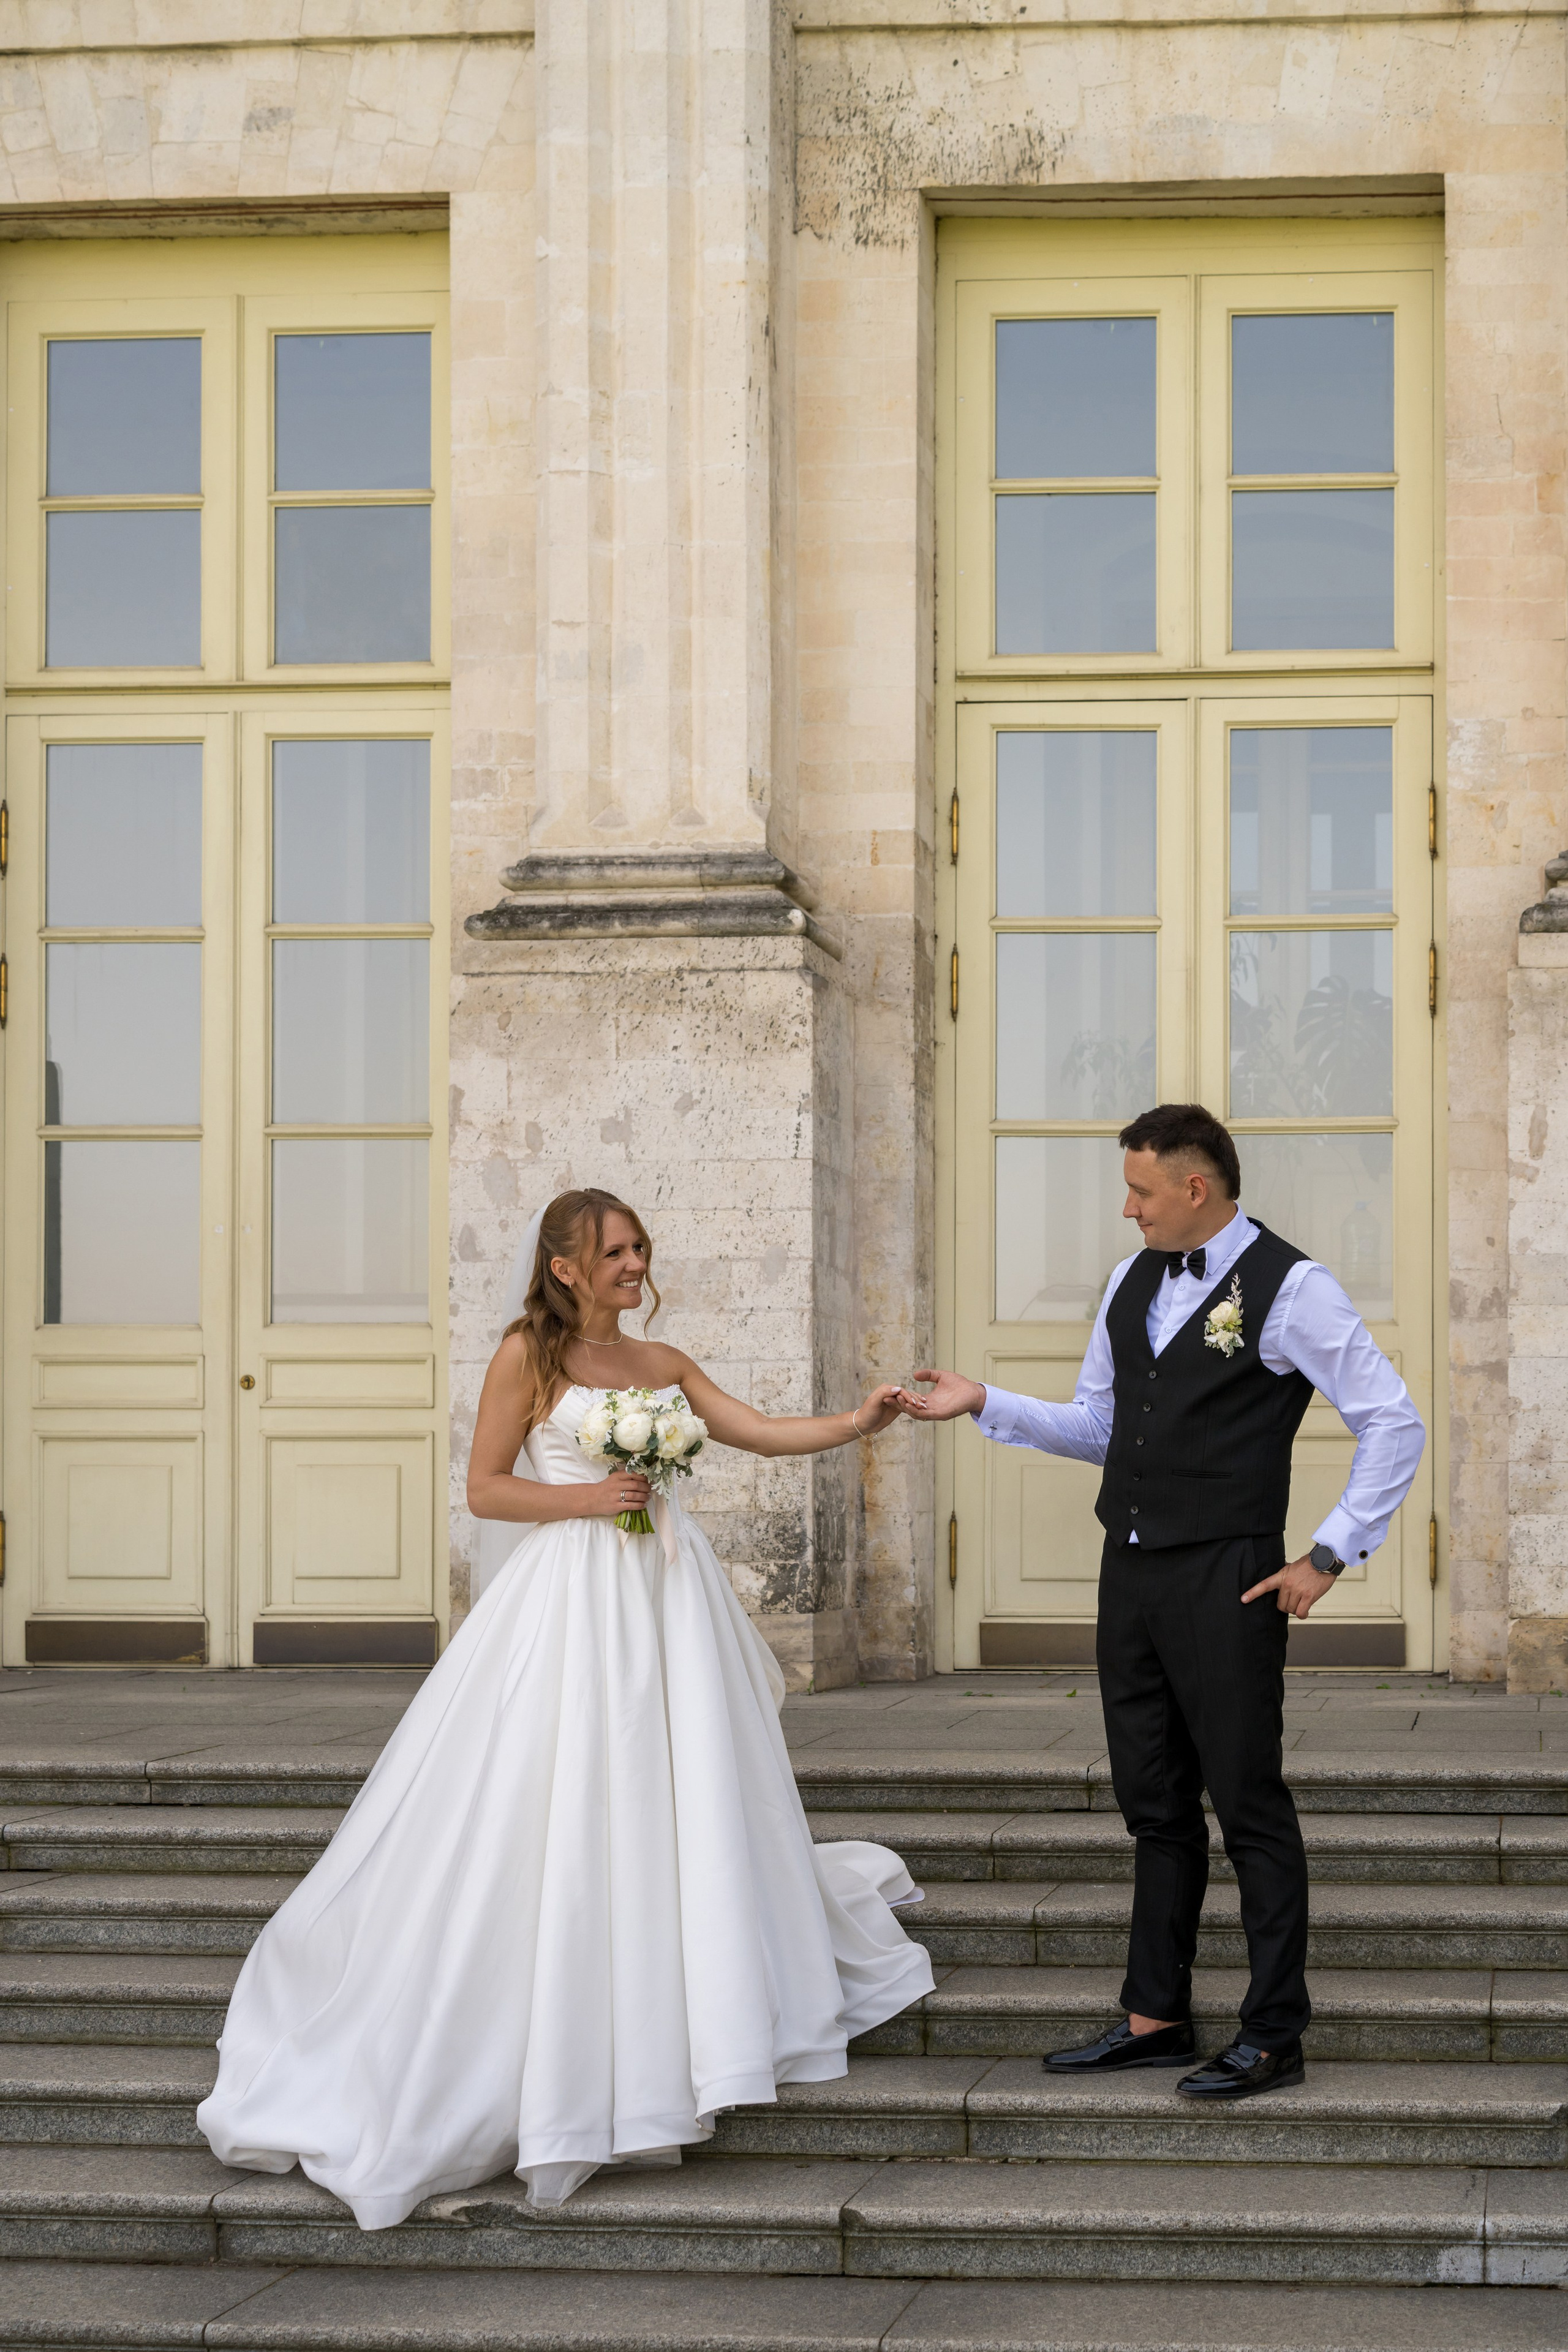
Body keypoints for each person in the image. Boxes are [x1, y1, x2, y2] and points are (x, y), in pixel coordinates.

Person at [198, 1187, 933, 2228]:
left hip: (667, 1603)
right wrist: (593, 1497)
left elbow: (758, 1432)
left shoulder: (664, 1364)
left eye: (640, 1247)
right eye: (617, 1252)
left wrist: (858, 1420)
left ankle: (692, 2003)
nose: (637, 1263)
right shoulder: (525, 1360)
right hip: (569, 1601)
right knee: (568, 1793)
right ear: (566, 1269)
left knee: (680, 1792)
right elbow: (487, 1488)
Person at [896, 1104, 1425, 2100]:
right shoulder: (1130, 1280)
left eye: (1141, 1190)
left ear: (1197, 1188)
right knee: (1155, 1804)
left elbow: (1393, 1421)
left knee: (1248, 1801)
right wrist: (985, 1403)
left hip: (1227, 1574)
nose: (1127, 1209)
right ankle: (1155, 2017)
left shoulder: (1292, 1287)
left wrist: (1328, 1555)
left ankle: (1275, 2032)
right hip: (1131, 1571)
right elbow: (1102, 1425)